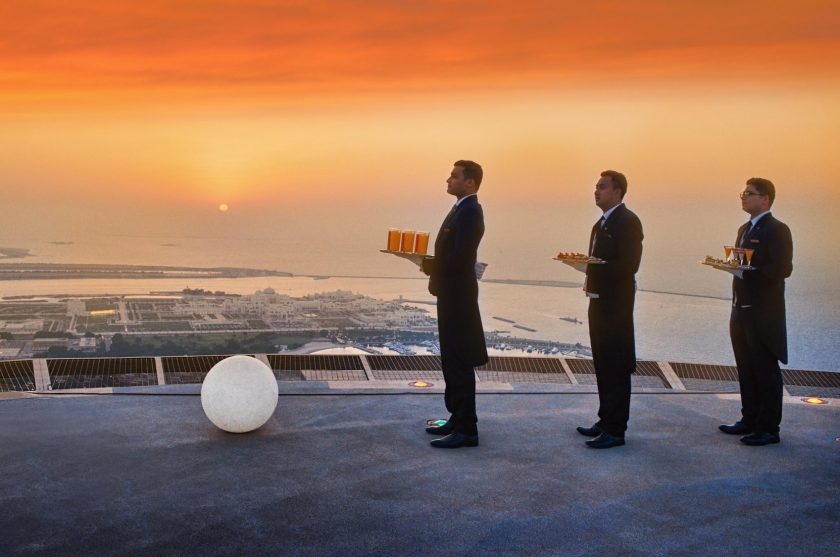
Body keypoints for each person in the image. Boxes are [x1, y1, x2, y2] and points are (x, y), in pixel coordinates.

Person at [572, 170, 643, 448]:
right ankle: (605, 419)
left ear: (618, 191)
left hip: (616, 307)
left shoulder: (628, 221)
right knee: (602, 364)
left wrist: (590, 267)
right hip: (597, 302)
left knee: (616, 366)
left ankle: (616, 430)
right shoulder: (599, 224)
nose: (596, 191)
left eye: (602, 187)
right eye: (596, 187)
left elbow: (629, 266)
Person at [719, 178, 793, 446]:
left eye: (749, 194)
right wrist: (733, 267)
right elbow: (739, 265)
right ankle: (748, 418)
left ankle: (768, 428)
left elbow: (783, 268)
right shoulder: (743, 229)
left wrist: (751, 272)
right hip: (740, 309)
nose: (744, 197)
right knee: (746, 368)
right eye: (743, 193)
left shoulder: (777, 229)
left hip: (763, 313)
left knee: (764, 370)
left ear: (765, 199)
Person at [420, 160, 488, 448]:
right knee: (451, 360)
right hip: (451, 296)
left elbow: (460, 259)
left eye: (455, 176)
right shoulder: (461, 208)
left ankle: (467, 430)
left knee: (459, 362)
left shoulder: (471, 211)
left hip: (459, 299)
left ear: (470, 182)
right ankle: (456, 418)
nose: (448, 179)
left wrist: (424, 263)